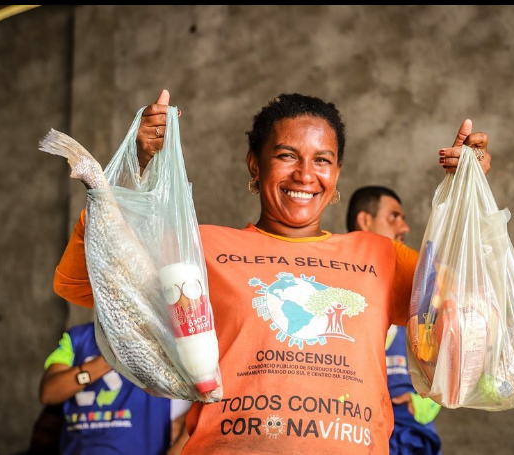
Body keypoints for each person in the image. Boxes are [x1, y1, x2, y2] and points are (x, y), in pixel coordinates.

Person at [52, 90, 491, 454]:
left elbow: (467, 311)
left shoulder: (382, 255)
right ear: (254, 165)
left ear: (337, 174)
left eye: (323, 160)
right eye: (286, 155)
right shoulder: (200, 247)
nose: (305, 174)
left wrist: (469, 194)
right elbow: (83, 284)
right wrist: (134, 166)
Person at [347, 186, 442, 455]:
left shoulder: (415, 285)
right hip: (352, 433)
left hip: (410, 438)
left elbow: (441, 359)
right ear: (365, 221)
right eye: (393, 217)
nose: (405, 227)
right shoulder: (335, 284)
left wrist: (423, 404)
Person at [39, 322, 190, 455]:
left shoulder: (160, 334)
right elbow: (49, 393)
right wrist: (109, 359)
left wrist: (179, 446)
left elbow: (206, 396)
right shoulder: (77, 337)